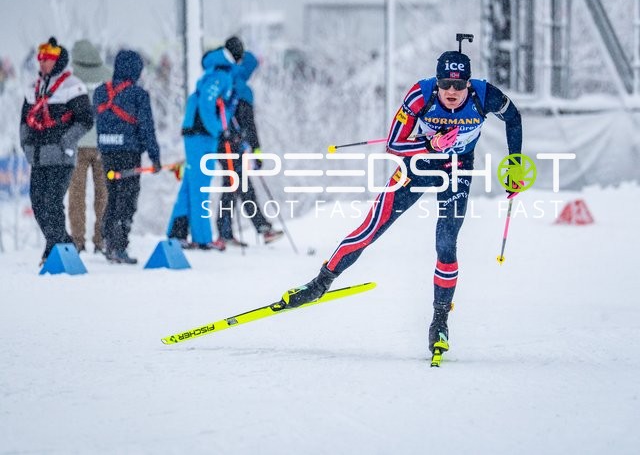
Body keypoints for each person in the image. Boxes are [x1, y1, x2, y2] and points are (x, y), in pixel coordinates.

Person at [278, 47, 523, 358]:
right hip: (418, 166)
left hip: (457, 169)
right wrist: (430, 144)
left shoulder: (485, 95)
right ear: (437, 82)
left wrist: (515, 164)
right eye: (445, 84)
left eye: (459, 85)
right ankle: (319, 284)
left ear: (468, 84)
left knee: (446, 244)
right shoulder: (421, 95)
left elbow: (513, 118)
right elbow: (394, 145)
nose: (451, 91)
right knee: (370, 229)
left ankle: (440, 322)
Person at [20, 37, 94, 264]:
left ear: (57, 61)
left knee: (52, 203)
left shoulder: (72, 86)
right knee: (38, 204)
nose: (42, 63)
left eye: (47, 59)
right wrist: (26, 145)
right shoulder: (34, 88)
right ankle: (65, 244)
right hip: (38, 157)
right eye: (40, 59)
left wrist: (65, 142)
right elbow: (24, 121)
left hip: (61, 158)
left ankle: (53, 250)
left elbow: (85, 120)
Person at [166, 39, 239, 250]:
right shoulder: (221, 75)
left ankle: (177, 232)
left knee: (191, 183)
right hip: (202, 135)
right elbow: (208, 104)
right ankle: (203, 237)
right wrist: (219, 129)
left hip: (197, 133)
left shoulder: (216, 69)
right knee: (200, 185)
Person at [94, 49, 161, 264]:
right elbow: (146, 127)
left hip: (107, 152)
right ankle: (119, 246)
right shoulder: (138, 95)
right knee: (127, 199)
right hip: (129, 154)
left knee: (113, 197)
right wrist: (155, 156)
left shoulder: (101, 92)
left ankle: (107, 240)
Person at [214, 39, 283, 246]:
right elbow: (249, 125)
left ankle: (238, 230)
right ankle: (253, 229)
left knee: (235, 184)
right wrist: (257, 151)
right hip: (232, 143)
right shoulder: (242, 88)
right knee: (237, 184)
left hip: (221, 140)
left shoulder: (223, 77)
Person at [67, 39, 112, 254]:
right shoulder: (108, 75)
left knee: (76, 195)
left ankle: (77, 239)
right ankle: (101, 238)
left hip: (77, 144)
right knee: (103, 193)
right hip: (103, 143)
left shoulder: (70, 77)